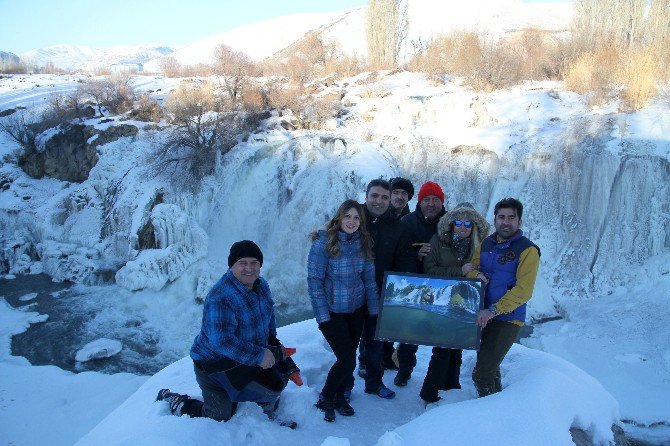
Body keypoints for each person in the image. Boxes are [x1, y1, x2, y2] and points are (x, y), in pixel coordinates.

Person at [155, 240, 300, 429]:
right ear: (232, 265)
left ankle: (265, 413)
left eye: (254, 262)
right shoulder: (220, 297)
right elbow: (221, 342)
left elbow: (268, 322)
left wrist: (277, 352)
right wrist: (259, 355)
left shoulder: (261, 285)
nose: (249, 268)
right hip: (214, 366)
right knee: (220, 415)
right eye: (242, 263)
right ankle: (176, 401)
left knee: (275, 382)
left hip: (245, 358)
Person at [307, 199, 380, 422]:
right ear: (339, 218)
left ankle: (340, 397)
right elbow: (314, 281)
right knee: (347, 359)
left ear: (361, 222)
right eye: (347, 216)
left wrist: (374, 311)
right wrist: (323, 317)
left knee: (347, 358)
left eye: (357, 217)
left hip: (356, 311)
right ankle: (326, 397)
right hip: (332, 313)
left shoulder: (364, 243)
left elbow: (368, 279)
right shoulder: (323, 244)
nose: (352, 221)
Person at [466, 198, 540, 397]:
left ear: (519, 222)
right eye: (501, 217)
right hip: (483, 314)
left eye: (511, 217)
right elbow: (471, 270)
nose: (505, 222)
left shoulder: (527, 250)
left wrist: (494, 310)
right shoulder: (486, 244)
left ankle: (489, 407)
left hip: (507, 318)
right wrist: (476, 275)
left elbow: (524, 290)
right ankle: (497, 402)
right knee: (490, 367)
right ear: (495, 219)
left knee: (482, 373)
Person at [420, 203, 490, 404]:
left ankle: (451, 387)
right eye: (458, 222)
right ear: (451, 224)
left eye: (468, 223)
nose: (463, 227)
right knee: (442, 349)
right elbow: (429, 270)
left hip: (465, 302)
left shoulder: (480, 247)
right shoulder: (439, 241)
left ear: (474, 226)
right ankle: (430, 392)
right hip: (443, 300)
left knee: (457, 348)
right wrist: (460, 271)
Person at [355, 179, 415, 399]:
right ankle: (343, 387)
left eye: (383, 197)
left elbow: (405, 258)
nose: (378, 201)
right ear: (367, 195)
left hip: (379, 293)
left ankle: (374, 383)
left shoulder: (398, 227)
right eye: (374, 196)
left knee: (375, 343)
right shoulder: (354, 218)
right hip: (351, 293)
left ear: (389, 200)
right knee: (348, 345)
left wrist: (405, 282)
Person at [394, 181, 447, 387]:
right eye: (427, 200)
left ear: (442, 202)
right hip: (415, 285)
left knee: (443, 335)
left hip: (442, 285)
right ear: (420, 202)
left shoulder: (450, 222)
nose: (431, 204)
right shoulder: (407, 223)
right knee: (410, 334)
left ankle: (439, 378)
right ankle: (404, 371)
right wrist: (416, 255)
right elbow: (399, 253)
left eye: (436, 200)